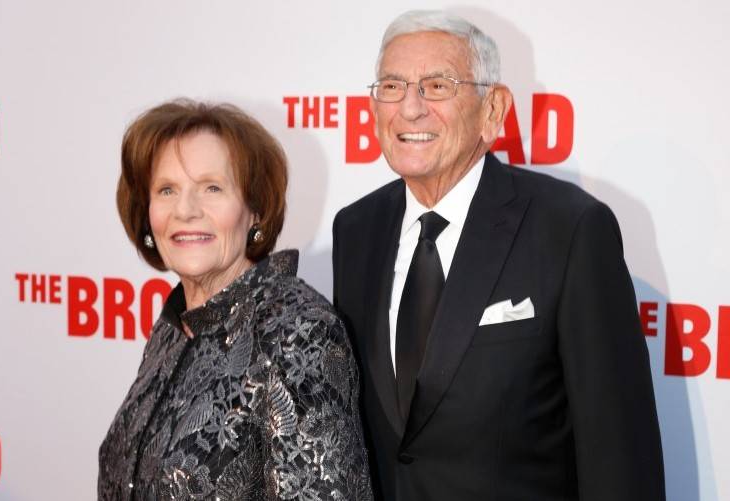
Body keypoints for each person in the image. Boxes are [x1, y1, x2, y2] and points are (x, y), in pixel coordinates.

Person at [332, 10, 665, 501]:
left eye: (437, 86)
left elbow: (620, 457)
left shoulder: (570, 229)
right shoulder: (356, 230)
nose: (410, 108)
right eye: (392, 86)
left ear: (493, 110)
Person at [99, 99, 373, 500]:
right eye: (167, 190)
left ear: (255, 211)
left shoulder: (297, 332)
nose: (185, 210)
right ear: (147, 214)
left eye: (212, 188)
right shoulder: (174, 328)